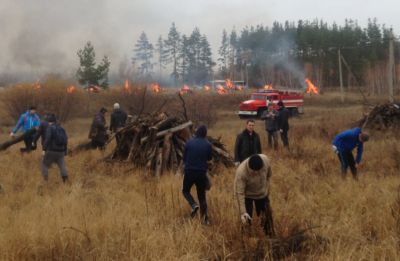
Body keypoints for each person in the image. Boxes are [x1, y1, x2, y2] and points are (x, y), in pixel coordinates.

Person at [234, 154, 275, 236]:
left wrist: (267, 191)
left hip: (262, 195)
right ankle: (246, 239)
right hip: (247, 196)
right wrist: (243, 212)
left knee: (267, 219)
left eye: (259, 171)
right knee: (246, 220)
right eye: (254, 172)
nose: (256, 173)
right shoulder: (241, 172)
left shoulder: (265, 160)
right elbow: (240, 193)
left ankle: (270, 236)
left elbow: (269, 176)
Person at [182, 125, 212, 224]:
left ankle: (193, 204)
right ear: (205, 133)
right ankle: (204, 219)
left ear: (197, 132)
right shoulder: (208, 144)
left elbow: (184, 158)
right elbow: (209, 159)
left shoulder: (189, 142)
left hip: (189, 171)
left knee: (185, 191)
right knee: (202, 196)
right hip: (201, 173)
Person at [42, 114, 69, 183]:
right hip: (61, 151)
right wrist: (65, 150)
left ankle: (45, 180)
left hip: (51, 151)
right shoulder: (62, 128)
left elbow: (47, 139)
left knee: (44, 164)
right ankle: (65, 181)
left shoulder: (50, 128)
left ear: (49, 122)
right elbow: (66, 140)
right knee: (62, 165)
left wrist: (44, 149)